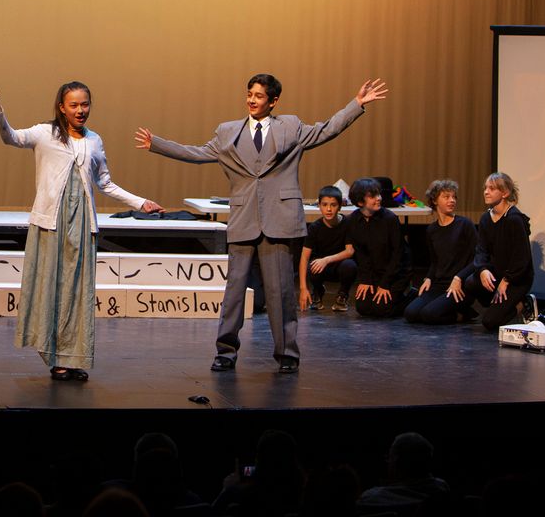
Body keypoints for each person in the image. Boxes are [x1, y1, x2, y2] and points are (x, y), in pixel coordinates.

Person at [136, 75, 388, 373]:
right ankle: (225, 352)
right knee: (234, 291)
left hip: (279, 219)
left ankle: (287, 354)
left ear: (273, 101)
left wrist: (356, 104)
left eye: (258, 96)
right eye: (249, 94)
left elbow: (326, 130)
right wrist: (157, 145)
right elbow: (198, 153)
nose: (251, 100)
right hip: (244, 218)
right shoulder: (228, 131)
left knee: (280, 292)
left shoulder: (290, 127)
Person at [0, 82, 162, 381]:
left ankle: (71, 357)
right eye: (74, 105)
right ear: (62, 107)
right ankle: (54, 355)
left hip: (81, 223)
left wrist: (140, 202)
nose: (81, 110)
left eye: (85, 104)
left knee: (76, 292)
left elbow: (104, 183)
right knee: (50, 288)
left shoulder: (94, 140)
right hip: (51, 222)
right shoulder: (45, 133)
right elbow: (11, 137)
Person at [459, 172, 534, 331]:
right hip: (497, 274)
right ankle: (498, 305)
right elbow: (481, 250)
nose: (486, 192)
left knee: (489, 322)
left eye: (492, 189)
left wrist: (506, 280)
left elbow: (521, 258)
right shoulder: (486, 218)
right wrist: (483, 270)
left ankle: (523, 304)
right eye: (485, 188)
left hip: (516, 278)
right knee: (471, 282)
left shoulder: (514, 219)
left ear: (505, 193)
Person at [404, 179, 477, 324]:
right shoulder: (432, 230)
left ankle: (462, 314)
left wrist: (459, 278)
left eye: (454, 197)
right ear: (435, 200)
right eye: (446, 197)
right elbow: (435, 261)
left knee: (429, 315)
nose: (452, 200)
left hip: (459, 286)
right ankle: (450, 310)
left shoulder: (465, 225)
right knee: (411, 313)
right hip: (439, 284)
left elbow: (478, 258)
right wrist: (428, 278)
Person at [347, 177, 410, 318]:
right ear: (360, 202)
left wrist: (385, 284)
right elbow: (361, 254)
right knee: (363, 308)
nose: (379, 198)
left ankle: (411, 296)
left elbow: (398, 254)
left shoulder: (389, 219)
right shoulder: (353, 220)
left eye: (378, 194)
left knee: (382, 310)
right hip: (374, 274)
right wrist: (366, 280)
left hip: (395, 274)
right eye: (373, 196)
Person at [299, 185, 356, 313]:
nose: (329, 209)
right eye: (324, 205)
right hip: (321, 268)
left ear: (340, 206)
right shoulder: (315, 227)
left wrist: (326, 260)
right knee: (312, 266)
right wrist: (303, 288)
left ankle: (342, 295)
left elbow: (350, 251)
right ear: (319, 206)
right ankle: (318, 290)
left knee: (350, 266)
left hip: (339, 265)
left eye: (333, 205)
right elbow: (304, 257)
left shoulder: (347, 224)